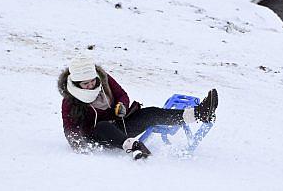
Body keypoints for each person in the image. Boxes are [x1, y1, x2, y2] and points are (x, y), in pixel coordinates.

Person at [58, 56, 218, 160]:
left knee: (150, 113)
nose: (91, 85)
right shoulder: (70, 101)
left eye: (92, 81)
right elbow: (70, 129)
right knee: (103, 126)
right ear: (76, 83)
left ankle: (199, 114)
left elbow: (122, 94)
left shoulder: (104, 79)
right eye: (85, 84)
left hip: (121, 124)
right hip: (100, 136)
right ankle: (133, 147)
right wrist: (79, 144)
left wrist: (123, 105)